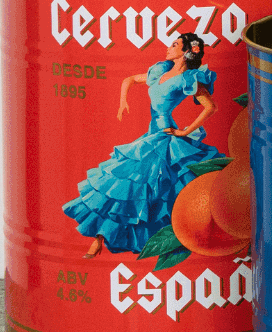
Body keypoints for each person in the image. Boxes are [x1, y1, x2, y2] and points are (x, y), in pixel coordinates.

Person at [65, 33, 219, 258]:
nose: (169, 48)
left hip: (165, 138)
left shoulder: (187, 78)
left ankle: (180, 239)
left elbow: (210, 107)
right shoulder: (160, 73)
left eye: (175, 45)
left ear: (187, 52)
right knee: (122, 186)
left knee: (164, 191)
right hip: (151, 134)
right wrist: (122, 102)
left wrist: (185, 131)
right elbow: (129, 80)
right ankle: (99, 238)